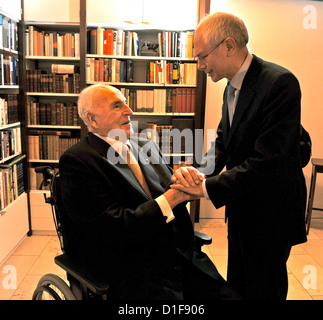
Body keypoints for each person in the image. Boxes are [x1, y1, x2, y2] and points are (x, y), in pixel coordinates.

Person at [170, 12, 307, 300]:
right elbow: (224, 143)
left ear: (228, 46)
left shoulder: (280, 83)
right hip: (243, 207)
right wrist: (199, 173)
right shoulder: (232, 85)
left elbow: (268, 162)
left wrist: (205, 188)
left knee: (264, 289)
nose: (200, 65)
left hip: (271, 214)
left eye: (202, 56)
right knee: (239, 288)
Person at [58, 83, 239, 300]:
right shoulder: (78, 162)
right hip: (132, 271)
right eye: (117, 106)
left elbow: (171, 192)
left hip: (178, 258)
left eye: (125, 102)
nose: (129, 110)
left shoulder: (145, 145)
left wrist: (184, 181)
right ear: (93, 119)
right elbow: (112, 229)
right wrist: (169, 199)